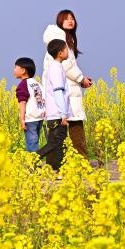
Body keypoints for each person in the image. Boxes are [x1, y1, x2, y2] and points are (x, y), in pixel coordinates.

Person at [43, 10, 92, 158]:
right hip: (66, 92)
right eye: (66, 19)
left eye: (72, 19)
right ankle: (81, 162)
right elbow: (68, 66)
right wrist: (81, 79)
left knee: (58, 136)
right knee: (73, 129)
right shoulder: (61, 43)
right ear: (59, 22)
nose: (70, 21)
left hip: (66, 90)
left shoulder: (64, 41)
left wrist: (81, 78)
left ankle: (61, 165)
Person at [37, 39, 72, 171]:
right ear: (60, 53)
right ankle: (33, 158)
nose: (68, 51)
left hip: (53, 112)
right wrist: (64, 114)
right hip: (57, 113)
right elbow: (58, 92)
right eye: (66, 49)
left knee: (55, 143)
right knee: (56, 142)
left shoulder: (53, 68)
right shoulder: (56, 69)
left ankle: (54, 169)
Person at [13, 57, 45, 152]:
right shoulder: (37, 83)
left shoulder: (23, 85)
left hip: (30, 119)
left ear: (23, 71)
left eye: (15, 67)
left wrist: (22, 119)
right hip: (39, 117)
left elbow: (22, 102)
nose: (13, 70)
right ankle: (36, 163)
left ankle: (33, 164)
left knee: (31, 144)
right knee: (35, 142)